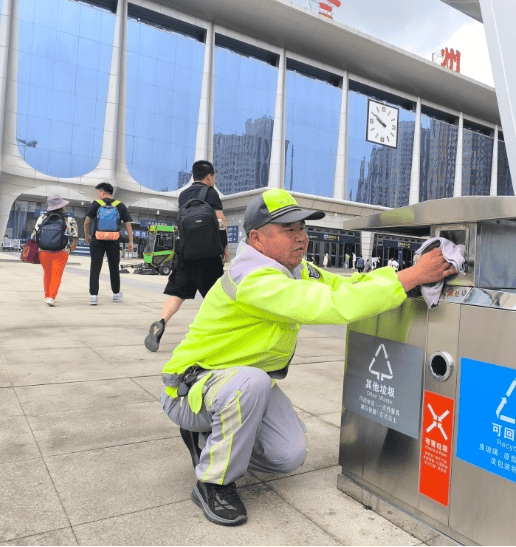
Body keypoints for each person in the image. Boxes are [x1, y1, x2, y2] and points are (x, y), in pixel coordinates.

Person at [160, 188, 456, 526]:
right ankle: (213, 483)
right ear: (256, 238)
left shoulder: (295, 269)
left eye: (302, 228)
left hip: (233, 383)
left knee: (288, 455)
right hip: (189, 388)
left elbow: (347, 286)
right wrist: (413, 275)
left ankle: (211, 438)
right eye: (289, 230)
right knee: (253, 382)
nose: (301, 237)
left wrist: (403, 281)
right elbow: (327, 305)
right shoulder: (253, 278)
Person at [145, 161, 229, 352]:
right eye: (213, 177)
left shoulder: (184, 195)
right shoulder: (211, 192)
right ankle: (210, 337)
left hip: (185, 253)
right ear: (209, 177)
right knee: (216, 297)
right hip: (207, 256)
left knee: (178, 294)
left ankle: (161, 322)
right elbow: (220, 221)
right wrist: (224, 247)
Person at [84, 182, 133, 305]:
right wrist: (131, 241)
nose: (98, 195)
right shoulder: (120, 205)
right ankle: (116, 294)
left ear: (103, 192)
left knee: (95, 267)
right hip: (114, 241)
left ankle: (94, 296)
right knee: (114, 267)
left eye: (98, 192)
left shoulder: (96, 204)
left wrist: (87, 236)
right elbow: (128, 225)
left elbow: (86, 223)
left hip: (97, 240)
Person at [31, 195, 79, 306]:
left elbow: (35, 233)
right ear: (61, 207)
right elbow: (75, 236)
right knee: (56, 274)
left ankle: (47, 295)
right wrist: (74, 245)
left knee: (47, 274)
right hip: (61, 250)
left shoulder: (42, 218)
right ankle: (51, 297)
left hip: (43, 250)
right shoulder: (69, 219)